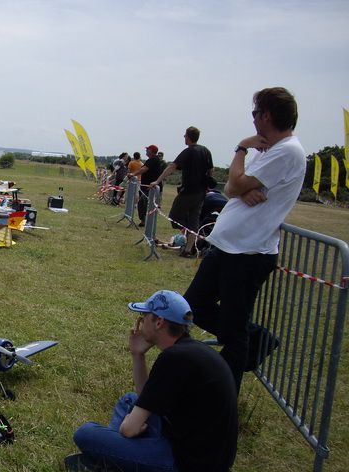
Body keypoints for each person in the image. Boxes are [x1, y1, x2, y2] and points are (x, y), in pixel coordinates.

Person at [184, 87, 306, 393]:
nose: (253, 121)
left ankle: (222, 402)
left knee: (234, 335)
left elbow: (235, 183)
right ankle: (258, 340)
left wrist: (241, 148)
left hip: (248, 252)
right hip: (229, 246)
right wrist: (239, 185)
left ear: (265, 115)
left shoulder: (287, 150)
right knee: (194, 306)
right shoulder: (274, 150)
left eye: (254, 114)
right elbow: (230, 190)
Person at [66, 290, 238, 472]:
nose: (140, 322)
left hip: (188, 466)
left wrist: (129, 427)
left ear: (159, 322)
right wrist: (138, 355)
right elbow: (146, 398)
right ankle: (112, 458)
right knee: (129, 400)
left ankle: (109, 460)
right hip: (205, 455)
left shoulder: (174, 358)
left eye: (144, 316)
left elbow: (129, 430)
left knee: (86, 433)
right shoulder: (191, 351)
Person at [150, 127, 213, 257]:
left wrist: (157, 181)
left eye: (185, 136)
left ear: (188, 137)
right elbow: (210, 170)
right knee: (194, 219)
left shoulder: (188, 151)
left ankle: (192, 236)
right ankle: (188, 249)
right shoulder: (206, 151)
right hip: (201, 191)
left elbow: (172, 167)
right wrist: (207, 185)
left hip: (188, 191)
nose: (184, 138)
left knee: (174, 216)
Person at [131, 144, 164, 226]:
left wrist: (133, 174)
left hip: (151, 187)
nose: (146, 150)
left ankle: (147, 222)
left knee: (144, 202)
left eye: (148, 149)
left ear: (152, 151)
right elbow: (143, 168)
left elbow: (144, 169)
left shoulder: (153, 159)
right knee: (142, 203)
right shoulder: (151, 159)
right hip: (146, 186)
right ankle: (144, 221)